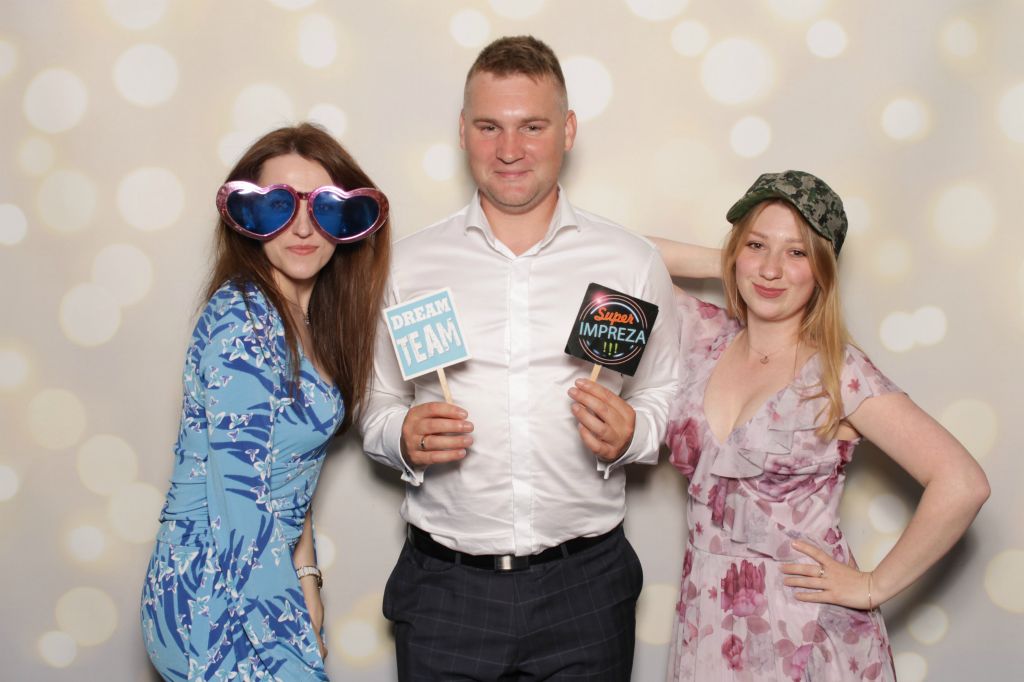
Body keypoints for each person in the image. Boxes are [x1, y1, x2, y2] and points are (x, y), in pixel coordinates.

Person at [360, 36, 711, 680]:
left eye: (532, 126)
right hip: (444, 591)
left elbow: (663, 392)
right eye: (489, 126)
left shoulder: (629, 262)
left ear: (567, 131)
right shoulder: (406, 266)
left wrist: (634, 433)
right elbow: (376, 402)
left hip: (586, 587)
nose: (509, 149)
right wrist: (400, 437)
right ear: (463, 132)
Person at [656, 171, 990, 680]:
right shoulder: (704, 337)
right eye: (757, 245)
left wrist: (872, 585)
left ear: (822, 270)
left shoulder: (838, 371)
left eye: (797, 253)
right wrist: (731, 262)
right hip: (707, 617)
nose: (771, 269)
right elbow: (614, 254)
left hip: (802, 627)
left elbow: (962, 482)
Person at [140, 123, 391, 681]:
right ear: (247, 218)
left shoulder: (305, 320)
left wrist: (307, 580)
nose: (302, 227)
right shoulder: (242, 321)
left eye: (323, 207)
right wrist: (292, 656)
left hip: (263, 572)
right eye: (279, 206)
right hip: (211, 586)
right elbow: (241, 503)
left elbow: (287, 471)